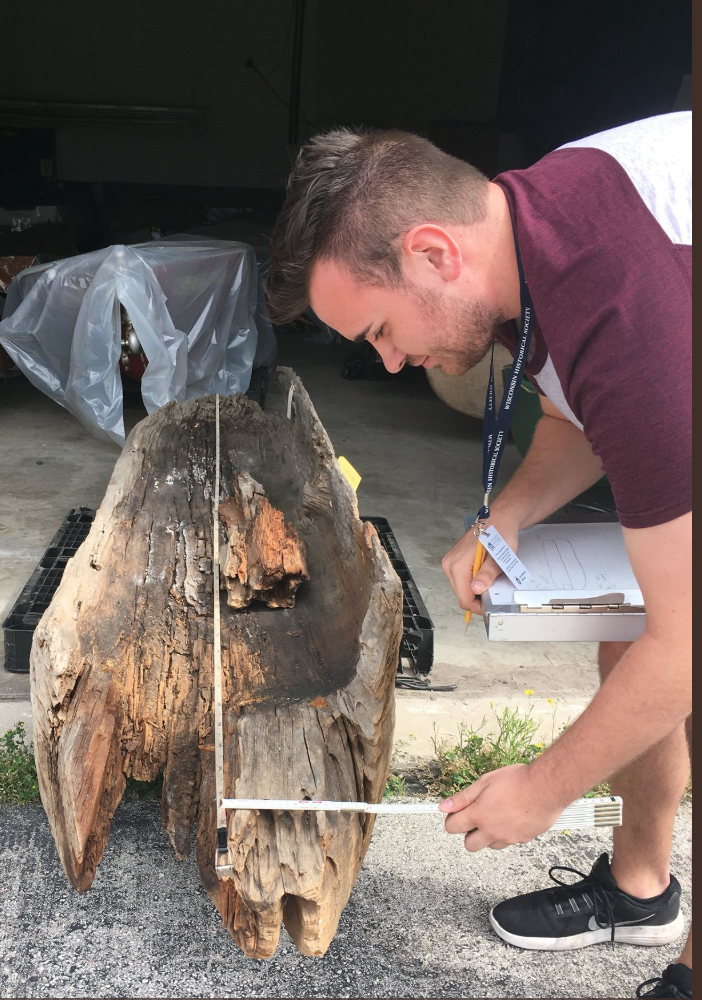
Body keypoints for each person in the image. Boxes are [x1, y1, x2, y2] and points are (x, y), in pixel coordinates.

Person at [265, 113, 691, 999]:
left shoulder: (625, 309)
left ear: (430, 254)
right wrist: (504, 519)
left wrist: (544, 787)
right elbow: (583, 415)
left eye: (379, 328)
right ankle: (643, 888)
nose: (386, 364)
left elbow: (688, 648)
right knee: (638, 622)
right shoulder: (526, 238)